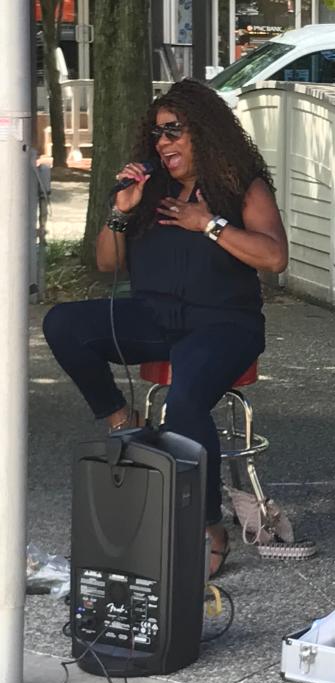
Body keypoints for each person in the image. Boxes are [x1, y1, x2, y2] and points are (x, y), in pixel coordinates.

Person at [43, 79, 288, 579]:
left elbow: (275, 258)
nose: (163, 143)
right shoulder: (148, 191)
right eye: (157, 134)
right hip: (155, 316)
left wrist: (209, 225)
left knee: (186, 399)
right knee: (63, 323)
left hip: (224, 322)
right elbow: (106, 262)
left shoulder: (241, 187)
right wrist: (121, 210)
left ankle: (208, 526)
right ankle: (120, 420)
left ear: (205, 131)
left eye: (174, 131)